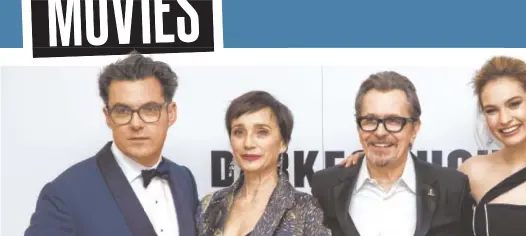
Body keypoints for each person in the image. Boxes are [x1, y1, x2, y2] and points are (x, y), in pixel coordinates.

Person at [342, 56, 526, 236]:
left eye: (514, 104)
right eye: (491, 110)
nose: (504, 119)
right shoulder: (471, 173)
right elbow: (417, 182)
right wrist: (369, 158)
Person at [24, 52, 199, 236]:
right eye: (123, 111)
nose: (136, 124)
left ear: (171, 113)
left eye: (150, 109)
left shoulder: (184, 179)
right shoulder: (64, 194)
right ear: (108, 117)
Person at [311, 71, 475, 236]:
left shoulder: (452, 188)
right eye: (370, 120)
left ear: (415, 128)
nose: (380, 132)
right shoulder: (325, 186)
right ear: (358, 126)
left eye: (393, 121)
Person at [195, 91, 331, 236]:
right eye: (239, 132)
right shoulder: (210, 205)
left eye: (261, 132)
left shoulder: (306, 209)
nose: (248, 143)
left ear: (283, 142)